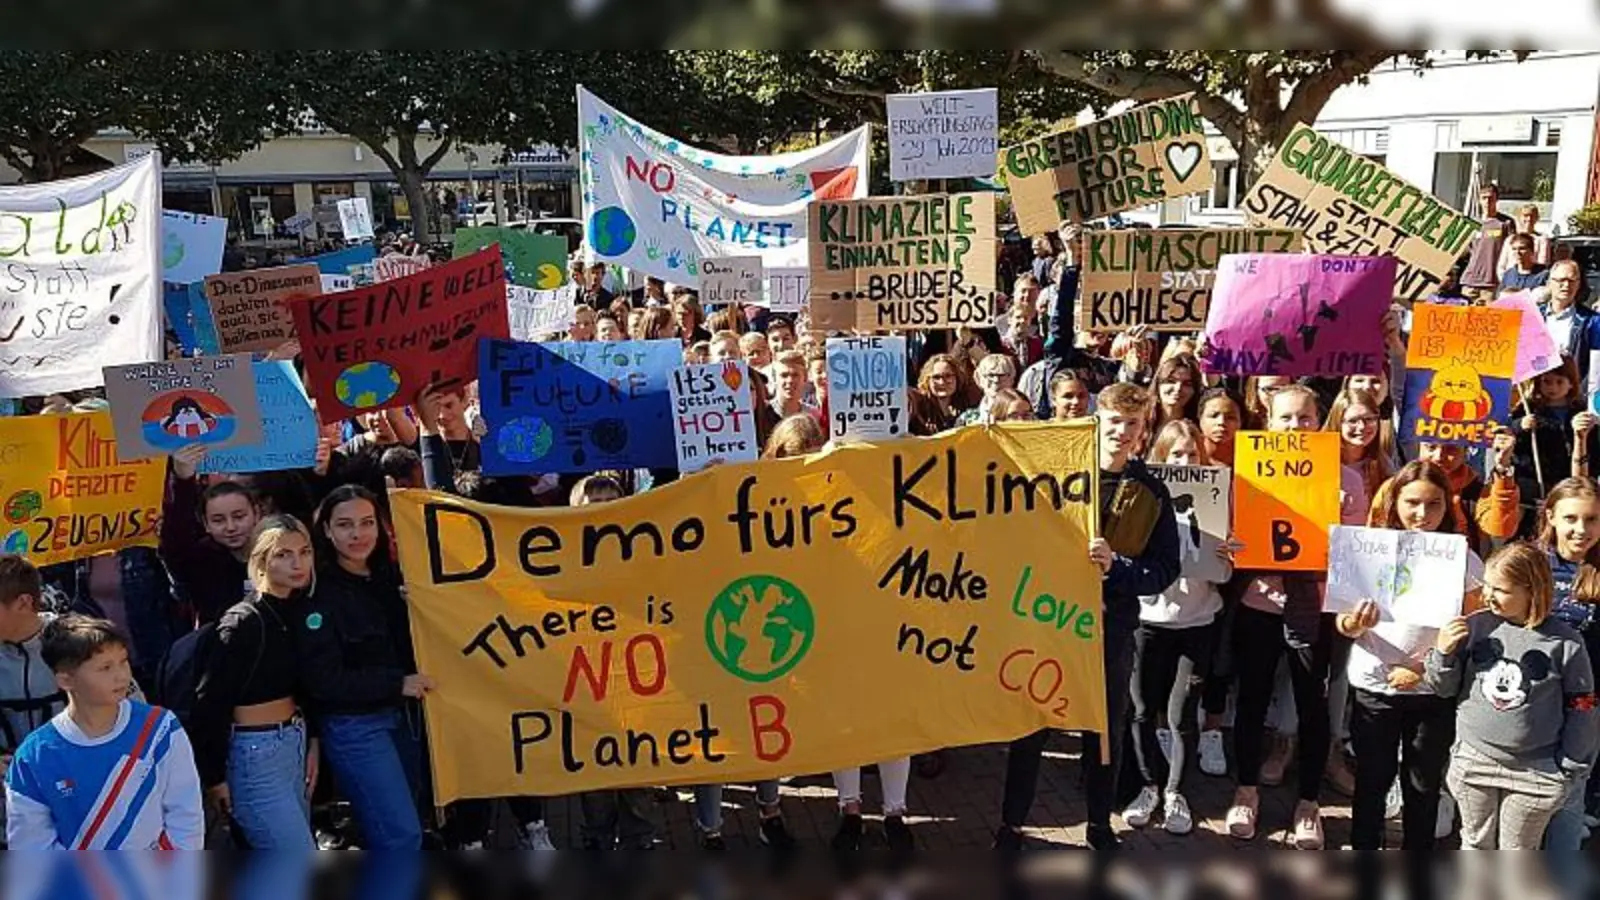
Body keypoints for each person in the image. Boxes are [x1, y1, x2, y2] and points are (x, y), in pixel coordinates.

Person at [995, 383, 1179, 855]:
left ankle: (1099, 824)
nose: (1121, 432)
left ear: (1143, 431)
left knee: (1104, 729)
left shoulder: (1152, 493)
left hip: (1111, 630)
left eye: (1132, 424)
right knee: (1032, 724)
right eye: (1113, 422)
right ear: (1096, 422)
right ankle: (1011, 826)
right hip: (1049, 624)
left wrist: (1116, 567)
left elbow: (1163, 570)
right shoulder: (1055, 477)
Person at [1339, 461, 1482, 850]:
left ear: (1446, 507)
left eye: (1433, 504)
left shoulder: (1462, 559)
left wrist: (1422, 669)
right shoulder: (1368, 550)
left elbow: (1475, 624)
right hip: (1375, 684)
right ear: (1395, 502)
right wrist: (1353, 623)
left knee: (1422, 783)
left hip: (1432, 690)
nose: (1422, 514)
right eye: (1413, 502)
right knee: (1372, 778)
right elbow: (1343, 623)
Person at [1425, 543, 1597, 849]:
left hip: (1536, 771)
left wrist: (1571, 764)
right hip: (1475, 760)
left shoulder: (1565, 642)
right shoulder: (1477, 626)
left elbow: (1582, 705)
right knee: (1475, 842)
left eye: (1501, 589)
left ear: (1532, 590)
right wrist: (1443, 653)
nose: (1488, 595)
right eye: (1487, 586)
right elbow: (1444, 688)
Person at [1224, 385, 1336, 848]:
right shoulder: (1245, 476)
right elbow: (1228, 537)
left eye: (1303, 418)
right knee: (1252, 701)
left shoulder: (1341, 477)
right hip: (1258, 604)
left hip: (1313, 607)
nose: (1294, 427)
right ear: (1268, 421)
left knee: (1314, 706)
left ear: (1317, 420)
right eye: (1285, 418)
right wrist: (1232, 547)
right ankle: (1245, 791)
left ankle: (1309, 804)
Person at [296, 485, 435, 850]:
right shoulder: (316, 593)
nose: (358, 534)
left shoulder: (395, 578)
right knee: (399, 835)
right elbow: (323, 680)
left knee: (406, 826)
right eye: (345, 525)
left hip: (405, 721)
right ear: (325, 530)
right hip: (355, 727)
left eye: (367, 522)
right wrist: (396, 683)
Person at [4, 617, 202, 848]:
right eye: (105, 668)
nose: (121, 676)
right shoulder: (35, 756)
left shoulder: (161, 729)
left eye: (123, 661)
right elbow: (31, 844)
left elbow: (185, 813)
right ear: (65, 680)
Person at [1123, 420, 1233, 837]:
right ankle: (1148, 786)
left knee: (1182, 713)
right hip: (1148, 620)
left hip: (1198, 620)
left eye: (1191, 455)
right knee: (1140, 710)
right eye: (1176, 455)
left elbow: (1223, 573)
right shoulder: (1142, 499)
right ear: (1160, 458)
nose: (1184, 462)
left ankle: (1175, 793)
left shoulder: (1217, 501)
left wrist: (1229, 552)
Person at [190, 515, 318, 849]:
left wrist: (312, 739)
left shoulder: (298, 608)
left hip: (293, 741)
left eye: (304, 552)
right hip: (254, 750)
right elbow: (210, 703)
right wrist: (215, 776)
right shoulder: (242, 621)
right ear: (260, 560)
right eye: (283, 554)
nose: (297, 563)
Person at [1535, 478, 1600, 856]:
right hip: (1538, 695)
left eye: (1591, 519)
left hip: (1588, 699)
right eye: (1571, 518)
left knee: (1574, 777)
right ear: (1551, 517)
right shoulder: (1532, 562)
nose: (1581, 529)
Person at [160, 446, 260, 628]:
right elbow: (175, 539)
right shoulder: (200, 562)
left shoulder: (277, 552)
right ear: (205, 524)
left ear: (256, 514)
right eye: (218, 520)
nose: (231, 527)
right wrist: (183, 481)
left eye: (239, 516)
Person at [1459, 183, 1516, 301]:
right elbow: (1463, 251)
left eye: (1491, 198)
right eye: (1484, 198)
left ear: (1496, 199)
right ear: (1479, 200)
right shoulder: (1472, 223)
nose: (1487, 201)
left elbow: (1512, 253)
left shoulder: (1506, 223)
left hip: (1491, 283)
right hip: (1470, 281)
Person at [957, 354, 1019, 425]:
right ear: (979, 379)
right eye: (991, 375)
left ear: (1012, 379)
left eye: (1002, 375)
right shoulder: (966, 419)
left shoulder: (1024, 416)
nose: (996, 380)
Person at [768, 350, 816, 420]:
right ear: (774, 378)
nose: (790, 380)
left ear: (805, 378)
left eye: (795, 375)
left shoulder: (813, 415)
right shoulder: (763, 413)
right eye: (784, 375)